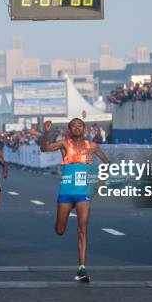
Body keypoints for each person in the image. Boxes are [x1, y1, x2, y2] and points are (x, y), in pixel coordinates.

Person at [40, 118, 110, 283]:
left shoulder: (92, 146)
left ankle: (81, 268)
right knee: (60, 230)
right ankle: (61, 220)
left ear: (84, 128)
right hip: (67, 190)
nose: (77, 127)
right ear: (69, 129)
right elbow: (44, 148)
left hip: (84, 192)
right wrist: (46, 132)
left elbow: (107, 163)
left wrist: (101, 182)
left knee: (82, 229)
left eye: (80, 125)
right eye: (74, 125)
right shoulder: (64, 144)